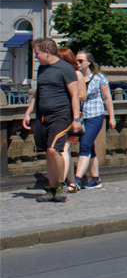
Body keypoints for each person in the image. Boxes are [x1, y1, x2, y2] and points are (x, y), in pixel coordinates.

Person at [23, 37, 82, 202]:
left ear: (46, 52)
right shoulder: (42, 68)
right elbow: (38, 93)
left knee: (53, 150)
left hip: (61, 116)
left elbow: (74, 95)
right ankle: (50, 188)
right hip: (43, 116)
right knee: (47, 153)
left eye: (37, 53)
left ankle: (60, 185)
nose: (35, 57)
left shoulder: (66, 69)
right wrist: (28, 112)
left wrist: (76, 118)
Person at [71, 51, 115, 191]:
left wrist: (112, 117)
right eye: (76, 61)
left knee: (85, 144)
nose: (78, 63)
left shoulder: (98, 78)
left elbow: (107, 98)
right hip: (80, 116)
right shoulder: (75, 77)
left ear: (89, 62)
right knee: (90, 148)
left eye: (81, 61)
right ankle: (96, 180)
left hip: (95, 115)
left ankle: (77, 180)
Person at [55, 47, 86, 192]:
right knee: (65, 150)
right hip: (59, 115)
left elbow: (82, 95)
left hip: (71, 114)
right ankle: (72, 183)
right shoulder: (57, 73)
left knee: (64, 148)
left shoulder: (77, 74)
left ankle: (61, 184)